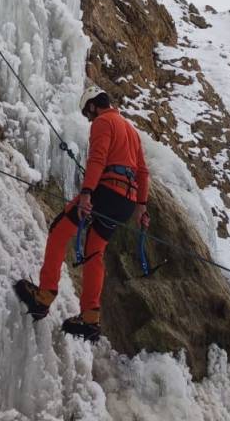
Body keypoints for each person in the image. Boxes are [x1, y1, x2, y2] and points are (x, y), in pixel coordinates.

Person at [14, 86, 150, 341]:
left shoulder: (103, 122)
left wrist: (87, 193)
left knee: (58, 230)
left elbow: (97, 159)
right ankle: (90, 317)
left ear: (93, 106)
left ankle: (44, 296)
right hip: (126, 202)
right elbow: (143, 172)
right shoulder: (130, 130)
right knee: (94, 251)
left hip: (106, 191)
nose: (88, 119)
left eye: (88, 114)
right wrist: (142, 207)